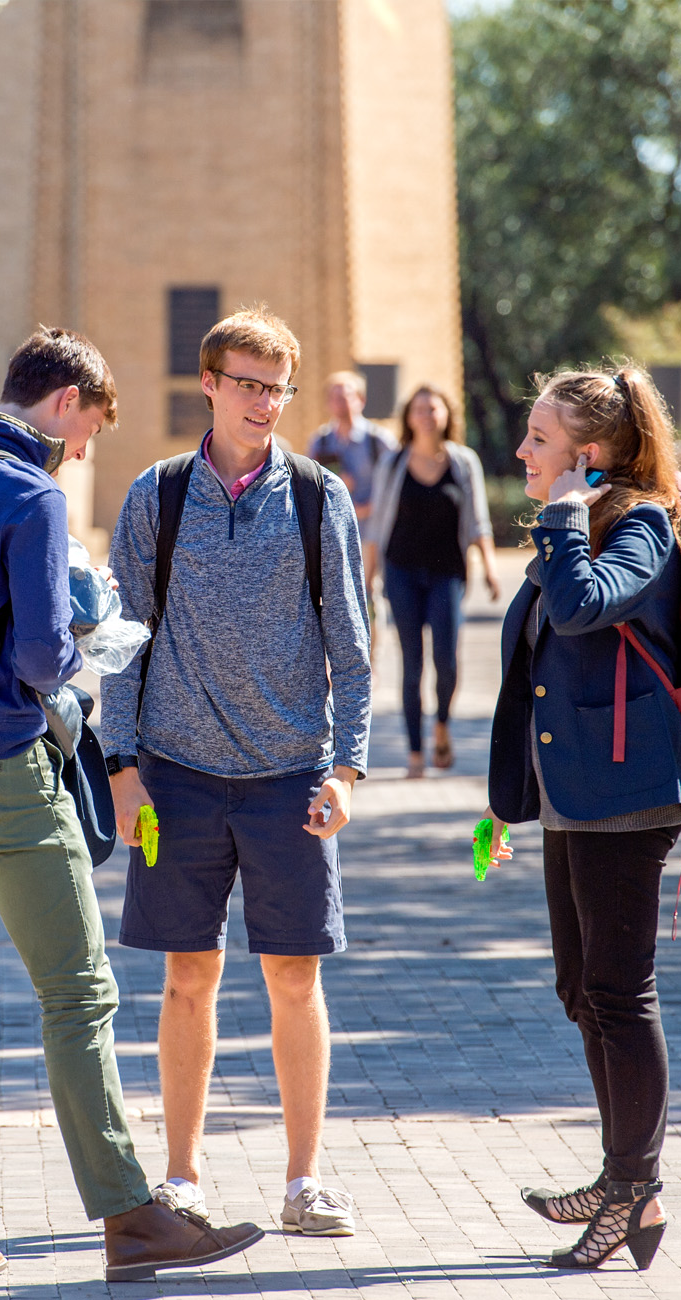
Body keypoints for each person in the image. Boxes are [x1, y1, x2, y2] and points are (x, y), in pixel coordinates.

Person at [0, 326, 263, 1284]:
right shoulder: (31, 491)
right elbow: (42, 656)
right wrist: (86, 667)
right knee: (80, 996)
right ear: (66, 402)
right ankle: (132, 1217)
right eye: (88, 429)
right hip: (3, 772)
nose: (83, 450)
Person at [102, 307, 372, 1238]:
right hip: (173, 778)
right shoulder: (157, 494)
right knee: (188, 974)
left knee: (295, 978)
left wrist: (347, 771)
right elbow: (121, 642)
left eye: (277, 387)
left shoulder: (317, 495)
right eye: (247, 383)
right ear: (208, 383)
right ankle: (181, 1176)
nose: (263, 402)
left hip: (289, 778)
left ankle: (304, 1182)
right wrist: (122, 764)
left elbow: (352, 642)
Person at [481, 364, 681, 1272]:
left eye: (539, 439)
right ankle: (620, 1181)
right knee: (582, 992)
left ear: (590, 455)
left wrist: (567, 519)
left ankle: (634, 1189)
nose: (522, 450)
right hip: (575, 791)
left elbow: (578, 612)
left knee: (619, 993)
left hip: (627, 793)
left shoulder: (641, 523)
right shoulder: (593, 523)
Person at [366, 385, 501, 779]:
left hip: (447, 574)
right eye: (419, 409)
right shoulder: (392, 463)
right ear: (408, 417)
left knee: (446, 660)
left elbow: (479, 521)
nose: (426, 415)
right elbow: (376, 528)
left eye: (433, 408)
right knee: (412, 663)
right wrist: (366, 577)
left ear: (446, 415)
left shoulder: (463, 462)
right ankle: (413, 754)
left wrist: (491, 568)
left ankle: (441, 722)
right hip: (401, 572)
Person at [306, 370, 394, 523]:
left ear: (361, 400)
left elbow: (396, 485)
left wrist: (370, 507)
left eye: (345, 397)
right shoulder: (320, 443)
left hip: (372, 533)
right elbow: (309, 488)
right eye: (334, 398)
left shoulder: (379, 440)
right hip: (334, 530)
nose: (340, 402)